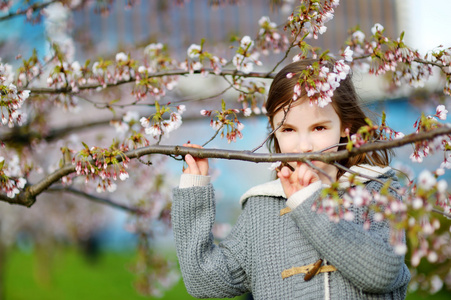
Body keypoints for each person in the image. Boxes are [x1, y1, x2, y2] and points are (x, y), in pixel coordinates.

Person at [171, 59, 411, 299]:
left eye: (319, 128)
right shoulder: (262, 207)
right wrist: (194, 191)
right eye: (288, 130)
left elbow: (383, 274)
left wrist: (308, 205)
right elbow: (204, 281)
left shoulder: (377, 189)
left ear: (345, 126)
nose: (304, 146)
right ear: (274, 131)